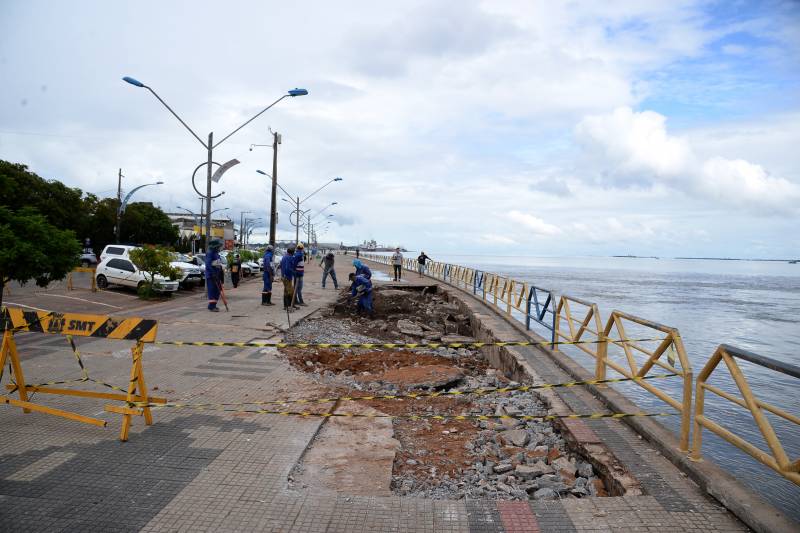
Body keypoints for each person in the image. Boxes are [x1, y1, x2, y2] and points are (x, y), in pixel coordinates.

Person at [204, 239, 224, 312]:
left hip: (217, 274)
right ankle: (211, 306)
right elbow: (208, 265)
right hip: (211, 275)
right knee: (212, 290)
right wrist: (213, 273)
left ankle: (214, 305)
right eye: (218, 246)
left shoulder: (216, 253)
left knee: (218, 290)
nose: (219, 248)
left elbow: (218, 263)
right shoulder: (210, 253)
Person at [280, 246, 296, 310]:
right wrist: (295, 273)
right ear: (292, 252)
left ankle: (286, 306)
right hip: (287, 277)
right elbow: (288, 268)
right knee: (290, 291)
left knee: (286, 291)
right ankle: (289, 306)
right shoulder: (289, 258)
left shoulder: (284, 257)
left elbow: (281, 266)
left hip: (284, 276)